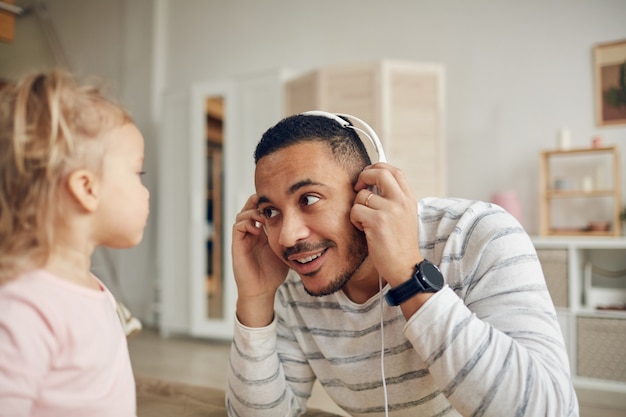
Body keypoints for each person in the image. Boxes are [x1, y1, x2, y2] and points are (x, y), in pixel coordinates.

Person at [226, 112, 579, 417]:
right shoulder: (296, 273)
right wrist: (255, 299)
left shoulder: (476, 234)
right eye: (271, 212)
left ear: (369, 192)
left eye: (310, 199)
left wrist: (410, 276)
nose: (287, 237)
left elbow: (550, 409)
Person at [0, 69, 150, 416]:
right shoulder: (25, 307)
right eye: (137, 173)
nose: (145, 192)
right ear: (86, 189)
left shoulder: (89, 285)